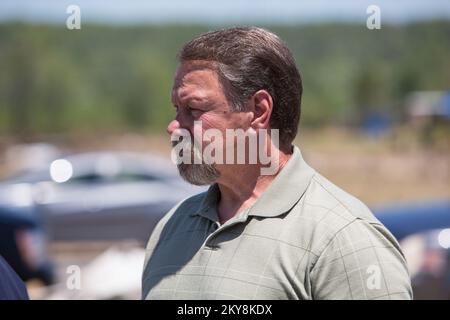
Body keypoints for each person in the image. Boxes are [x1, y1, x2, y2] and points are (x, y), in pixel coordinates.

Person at [142, 27, 412, 300]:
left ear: (259, 111)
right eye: (177, 109)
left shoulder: (344, 238)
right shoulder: (172, 226)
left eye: (195, 109)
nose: (174, 126)